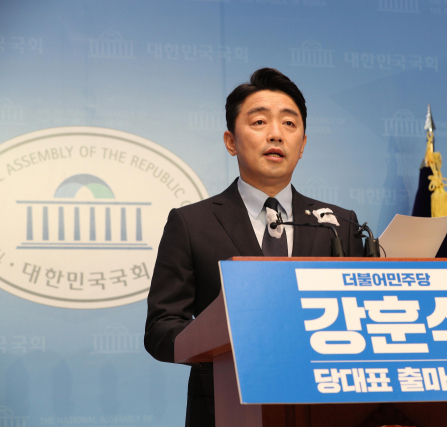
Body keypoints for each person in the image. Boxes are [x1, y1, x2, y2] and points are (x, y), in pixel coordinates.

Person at [144, 68, 364, 426]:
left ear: (302, 145)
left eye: (289, 124)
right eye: (260, 122)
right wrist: (223, 340)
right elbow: (160, 329)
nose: (276, 134)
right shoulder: (191, 223)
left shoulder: (339, 224)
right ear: (231, 141)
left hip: (325, 407)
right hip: (225, 407)